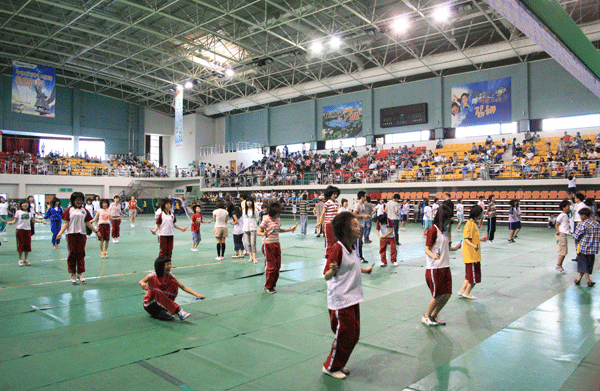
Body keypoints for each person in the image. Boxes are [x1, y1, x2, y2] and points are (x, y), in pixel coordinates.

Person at [322, 211, 373, 379]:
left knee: (353, 335)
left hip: (353, 297)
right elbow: (326, 275)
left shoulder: (351, 247)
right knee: (344, 335)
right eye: (354, 225)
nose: (358, 228)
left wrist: (365, 270)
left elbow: (352, 266)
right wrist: (332, 270)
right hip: (340, 300)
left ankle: (339, 364)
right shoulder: (338, 249)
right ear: (345, 230)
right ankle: (330, 367)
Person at [422, 204, 461, 326]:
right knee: (438, 295)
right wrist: (434, 256)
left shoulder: (445, 230)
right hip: (435, 268)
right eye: (448, 218)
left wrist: (455, 248)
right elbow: (427, 249)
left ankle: (434, 315)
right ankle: (426, 316)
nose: (449, 220)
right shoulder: (433, 230)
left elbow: (446, 247)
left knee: (448, 294)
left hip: (445, 266)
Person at [139, 256, 205, 321]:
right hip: (151, 305)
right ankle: (178, 311)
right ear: (160, 266)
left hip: (161, 303)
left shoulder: (170, 275)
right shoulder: (152, 275)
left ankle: (167, 307)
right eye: (167, 264)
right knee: (156, 292)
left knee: (173, 283)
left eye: (170, 264)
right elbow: (141, 281)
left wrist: (197, 294)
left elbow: (183, 287)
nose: (170, 266)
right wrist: (143, 284)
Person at [56, 192, 102, 283]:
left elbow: (88, 223)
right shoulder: (69, 210)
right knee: (72, 254)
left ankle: (80, 273)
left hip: (82, 235)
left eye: (80, 200)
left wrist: (96, 231)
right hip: (71, 235)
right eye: (77, 200)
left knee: (81, 254)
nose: (79, 202)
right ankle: (72, 273)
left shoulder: (84, 210)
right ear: (73, 201)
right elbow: (66, 223)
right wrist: (59, 233)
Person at [257, 201, 297, 294]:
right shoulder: (266, 219)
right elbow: (258, 231)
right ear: (273, 212)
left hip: (276, 244)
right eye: (278, 213)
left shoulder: (278, 219)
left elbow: (278, 230)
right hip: (268, 245)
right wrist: (263, 233)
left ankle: (272, 285)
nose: (280, 214)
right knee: (271, 267)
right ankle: (268, 286)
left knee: (277, 266)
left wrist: (290, 229)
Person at [4, 200, 46, 266]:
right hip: (20, 230)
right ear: (21, 205)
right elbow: (15, 221)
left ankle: (25, 259)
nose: (25, 205)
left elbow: (33, 220)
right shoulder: (18, 212)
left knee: (27, 245)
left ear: (28, 205)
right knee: (20, 245)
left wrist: (41, 221)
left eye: (26, 204)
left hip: (28, 230)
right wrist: (10, 222)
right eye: (23, 204)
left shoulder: (30, 212)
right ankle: (20, 259)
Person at [458, 205, 483, 300]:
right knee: (474, 277)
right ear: (477, 214)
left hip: (474, 255)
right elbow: (466, 239)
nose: (482, 214)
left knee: (468, 276)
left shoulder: (473, 224)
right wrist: (474, 246)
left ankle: (462, 290)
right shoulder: (469, 224)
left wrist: (481, 240)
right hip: (471, 256)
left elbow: (473, 238)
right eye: (481, 213)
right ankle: (467, 293)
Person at [572, 208, 600, 287]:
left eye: (580, 215)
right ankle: (578, 279)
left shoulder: (582, 224)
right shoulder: (597, 224)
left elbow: (576, 236)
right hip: (593, 248)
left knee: (584, 264)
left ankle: (588, 281)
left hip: (583, 248)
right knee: (588, 264)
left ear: (583, 215)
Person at [316, 186, 340, 258]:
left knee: (336, 240)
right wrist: (320, 222)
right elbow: (322, 214)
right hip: (328, 224)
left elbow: (337, 213)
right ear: (330, 194)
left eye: (336, 194)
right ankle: (328, 255)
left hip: (335, 224)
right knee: (329, 240)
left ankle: (334, 254)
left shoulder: (337, 203)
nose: (335, 195)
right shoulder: (327, 203)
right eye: (334, 194)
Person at [353, 191, 370, 263]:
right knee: (358, 242)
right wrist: (363, 216)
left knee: (360, 242)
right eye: (365, 196)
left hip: (362, 225)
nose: (365, 197)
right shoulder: (357, 205)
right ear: (362, 197)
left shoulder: (363, 205)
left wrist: (365, 216)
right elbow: (354, 214)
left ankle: (359, 256)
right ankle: (359, 257)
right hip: (358, 226)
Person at [555, 200, 571, 274]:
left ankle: (559, 265)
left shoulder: (566, 215)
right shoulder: (562, 215)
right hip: (562, 234)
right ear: (563, 208)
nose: (569, 207)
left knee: (564, 251)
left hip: (564, 234)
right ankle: (558, 265)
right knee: (562, 251)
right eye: (568, 206)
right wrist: (558, 231)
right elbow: (557, 224)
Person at [242, 197, 260, 263]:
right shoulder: (244, 210)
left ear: (252, 202)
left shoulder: (255, 210)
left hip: (253, 228)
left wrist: (253, 224)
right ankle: (250, 257)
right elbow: (243, 218)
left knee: (253, 243)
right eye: (247, 201)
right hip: (246, 228)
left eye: (250, 201)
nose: (249, 203)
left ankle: (255, 258)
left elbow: (257, 218)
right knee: (248, 243)